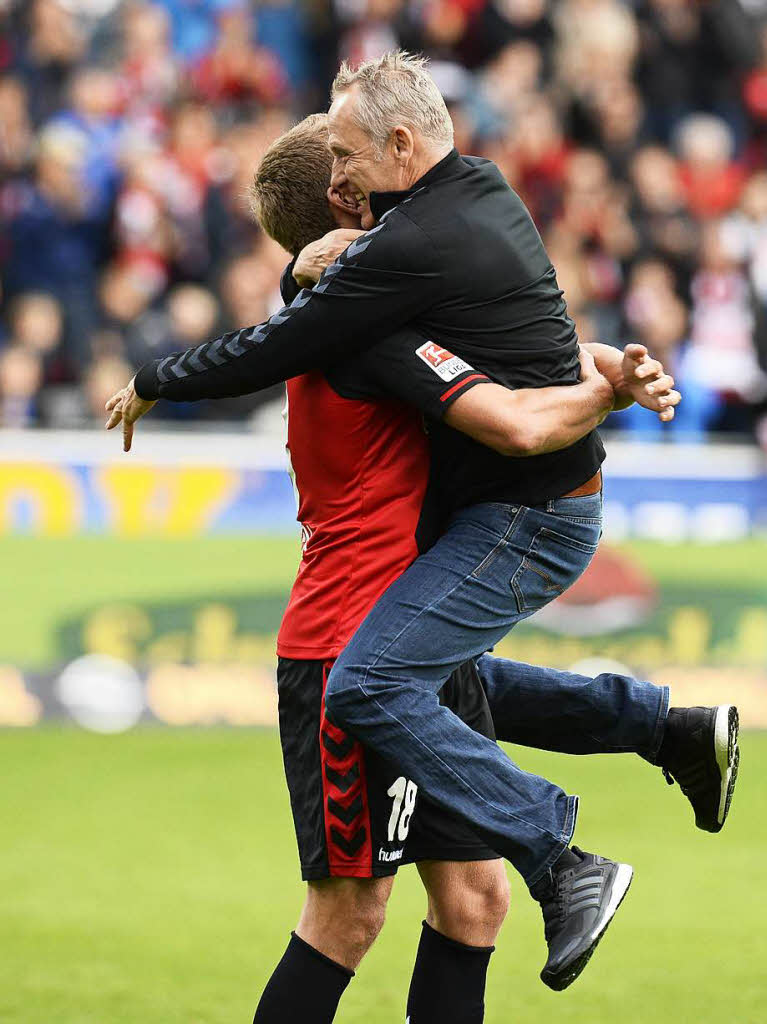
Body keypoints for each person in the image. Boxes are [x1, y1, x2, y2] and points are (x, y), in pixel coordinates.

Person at [105, 53, 738, 995]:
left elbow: (496, 338)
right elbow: (510, 416)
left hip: (388, 606)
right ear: (350, 230)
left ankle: (661, 734)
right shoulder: (375, 326)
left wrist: (594, 361)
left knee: (472, 899)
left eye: (347, 162)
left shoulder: (375, 295)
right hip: (341, 639)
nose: (345, 184)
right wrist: (607, 390)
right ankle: (576, 838)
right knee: (348, 910)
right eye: (337, 181)